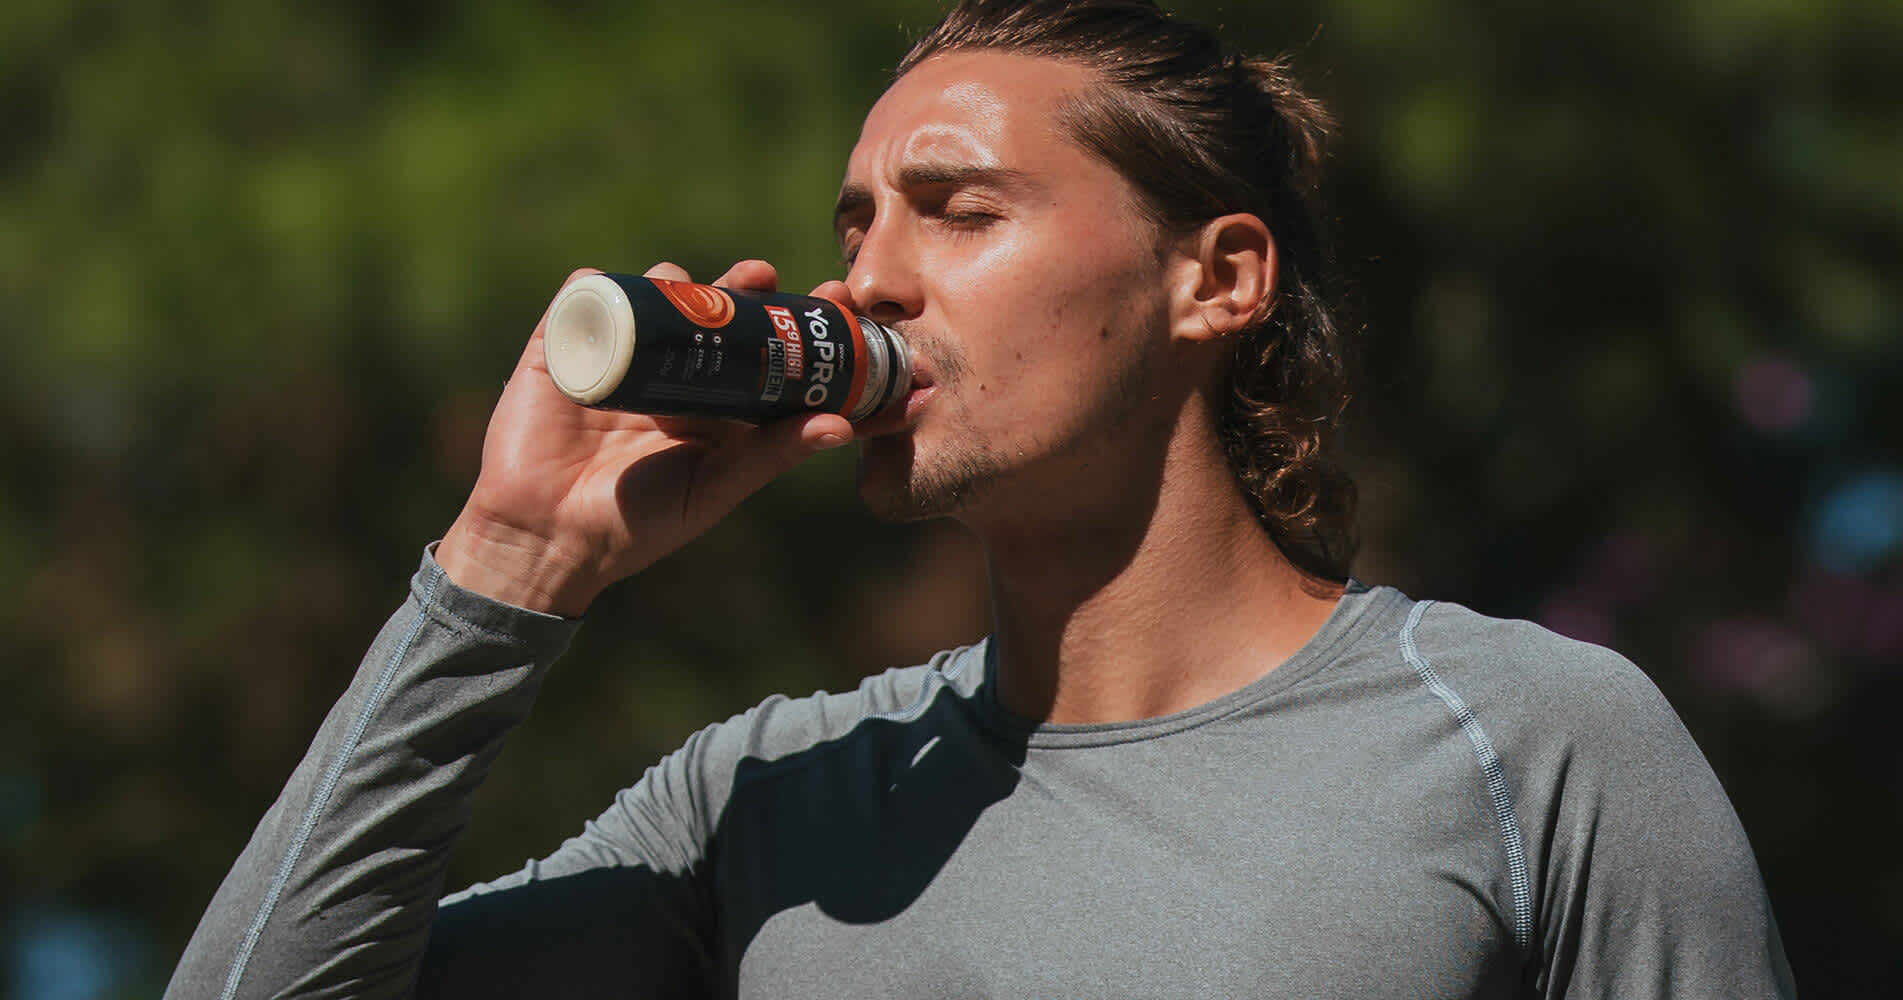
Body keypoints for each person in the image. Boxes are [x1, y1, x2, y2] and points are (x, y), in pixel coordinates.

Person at [168, 0, 1796, 996]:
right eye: (860, 223)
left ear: (1214, 277)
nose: (864, 280)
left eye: (957, 210)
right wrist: (510, 561)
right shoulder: (766, 804)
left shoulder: (1528, 740)